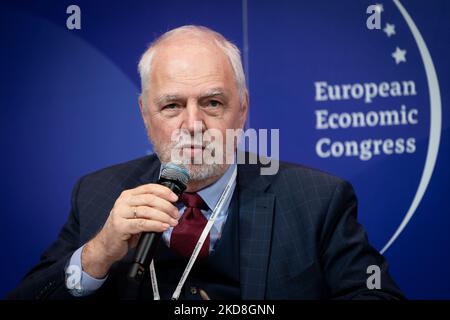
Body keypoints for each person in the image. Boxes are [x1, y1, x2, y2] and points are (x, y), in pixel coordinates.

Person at [8, 25, 403, 300]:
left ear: (243, 109)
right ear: (145, 114)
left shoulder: (317, 200)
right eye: (172, 105)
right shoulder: (97, 195)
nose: (193, 125)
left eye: (212, 103)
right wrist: (96, 255)